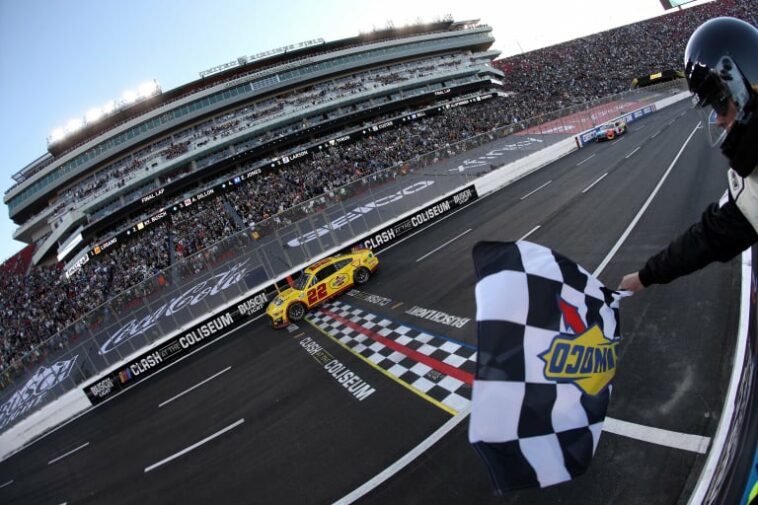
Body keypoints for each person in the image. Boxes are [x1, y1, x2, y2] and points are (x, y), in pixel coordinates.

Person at [618, 16, 758, 292]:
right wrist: (645, 276)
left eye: (719, 104)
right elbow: (709, 236)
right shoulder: (751, 184)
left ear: (742, 91)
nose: (717, 120)